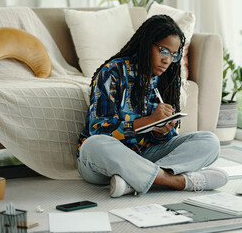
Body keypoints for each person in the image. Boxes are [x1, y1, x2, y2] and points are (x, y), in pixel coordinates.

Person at [76, 14, 228, 198]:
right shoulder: (112, 72)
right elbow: (98, 130)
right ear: (146, 44)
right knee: (92, 145)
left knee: (209, 141)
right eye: (164, 51)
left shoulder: (166, 81)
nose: (168, 60)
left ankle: (133, 182)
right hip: (105, 163)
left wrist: (161, 131)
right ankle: (177, 181)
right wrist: (148, 121)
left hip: (146, 156)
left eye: (173, 55)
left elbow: (164, 140)